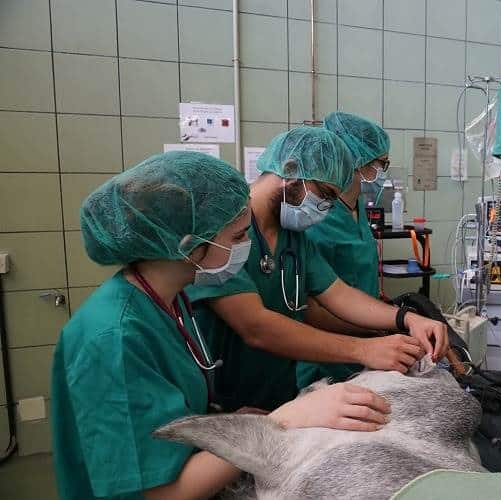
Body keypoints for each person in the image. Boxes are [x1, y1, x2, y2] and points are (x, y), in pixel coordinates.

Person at [51, 152, 391, 500]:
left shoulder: (171, 300)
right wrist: (276, 424)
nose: (245, 246)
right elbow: (159, 494)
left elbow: (172, 416)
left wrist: (227, 423)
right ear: (189, 245)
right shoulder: (115, 339)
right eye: (238, 236)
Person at [187, 126, 449, 413]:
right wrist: (364, 350)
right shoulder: (223, 232)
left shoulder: (292, 237)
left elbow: (338, 294)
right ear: (290, 170)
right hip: (225, 403)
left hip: (277, 396)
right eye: (323, 194)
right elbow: (256, 327)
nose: (324, 207)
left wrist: (406, 318)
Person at [299, 112, 391, 387]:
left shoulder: (358, 207)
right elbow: (313, 303)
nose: (382, 173)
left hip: (366, 340)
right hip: (326, 353)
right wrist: (380, 327)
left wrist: (384, 318)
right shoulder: (317, 215)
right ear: (355, 160)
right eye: (380, 164)